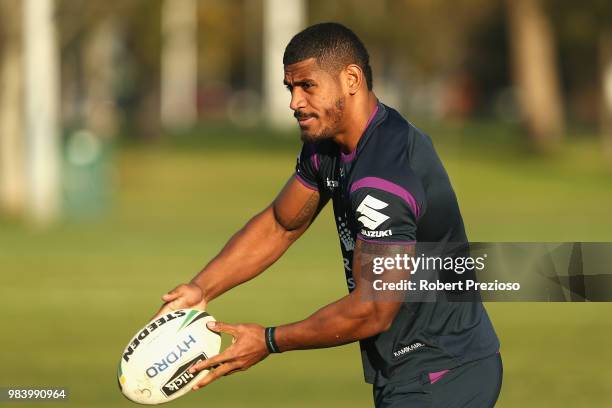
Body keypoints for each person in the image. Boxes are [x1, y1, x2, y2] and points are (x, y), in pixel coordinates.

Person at [155, 22, 503, 407]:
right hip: (412, 369)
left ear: (351, 79)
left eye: (307, 86)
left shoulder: (382, 178)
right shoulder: (328, 147)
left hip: (443, 372)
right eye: (290, 88)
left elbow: (371, 311)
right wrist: (202, 288)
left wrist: (269, 341)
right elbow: (280, 223)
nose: (294, 102)